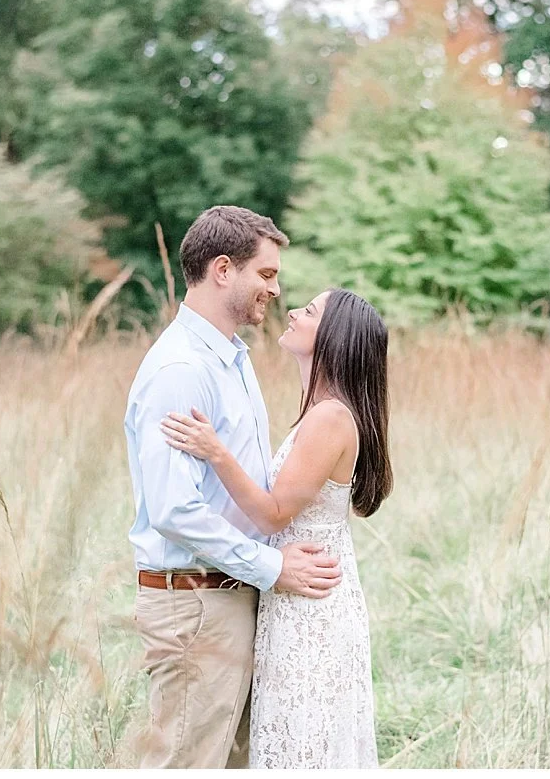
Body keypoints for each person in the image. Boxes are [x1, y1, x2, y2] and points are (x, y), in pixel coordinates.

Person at [124, 206, 343, 768]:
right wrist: (272, 566)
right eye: (265, 274)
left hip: (233, 594)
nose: (276, 289)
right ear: (223, 270)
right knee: (186, 765)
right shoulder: (181, 370)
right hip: (196, 605)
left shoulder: (231, 359)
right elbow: (175, 510)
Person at [161, 287, 394, 768]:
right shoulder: (322, 412)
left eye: (309, 311)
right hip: (295, 593)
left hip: (310, 606)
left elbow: (273, 513)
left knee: (304, 743)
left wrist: (216, 451)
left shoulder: (330, 418)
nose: (292, 311)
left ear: (333, 337)